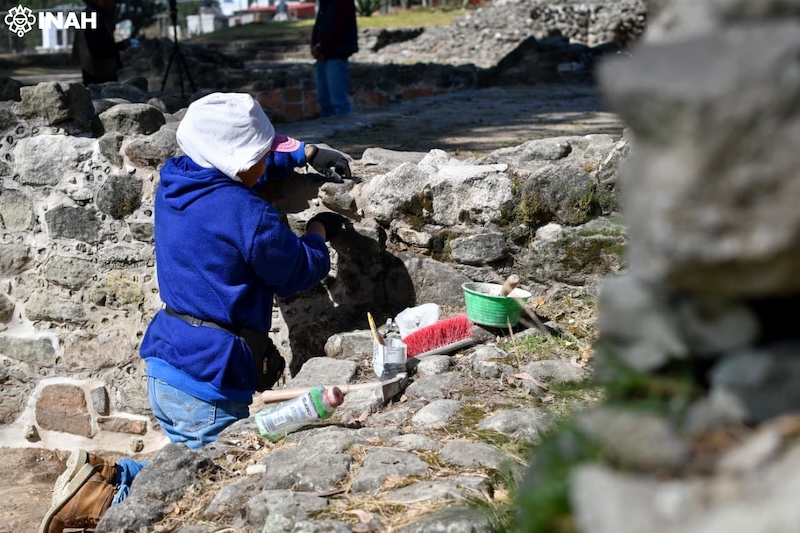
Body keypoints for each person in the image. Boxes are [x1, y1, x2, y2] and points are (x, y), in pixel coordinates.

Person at [39, 92, 354, 533]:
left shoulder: (177, 179)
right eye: (262, 154)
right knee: (207, 489)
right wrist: (320, 232)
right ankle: (100, 497)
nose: (266, 161)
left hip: (167, 364)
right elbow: (296, 271)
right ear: (237, 160)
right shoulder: (251, 215)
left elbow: (229, 173)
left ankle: (107, 479)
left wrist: (302, 154)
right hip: (210, 381)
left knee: (186, 469)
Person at [71, 0, 138, 85]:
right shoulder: (92, 16)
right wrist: (121, 45)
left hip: (97, 68)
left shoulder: (97, 14)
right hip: (98, 70)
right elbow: (99, 48)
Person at [311, 0, 358, 117]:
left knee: (338, 101)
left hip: (336, 53)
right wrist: (315, 46)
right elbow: (319, 24)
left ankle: (344, 131)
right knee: (324, 101)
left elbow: (341, 26)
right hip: (323, 54)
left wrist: (321, 46)